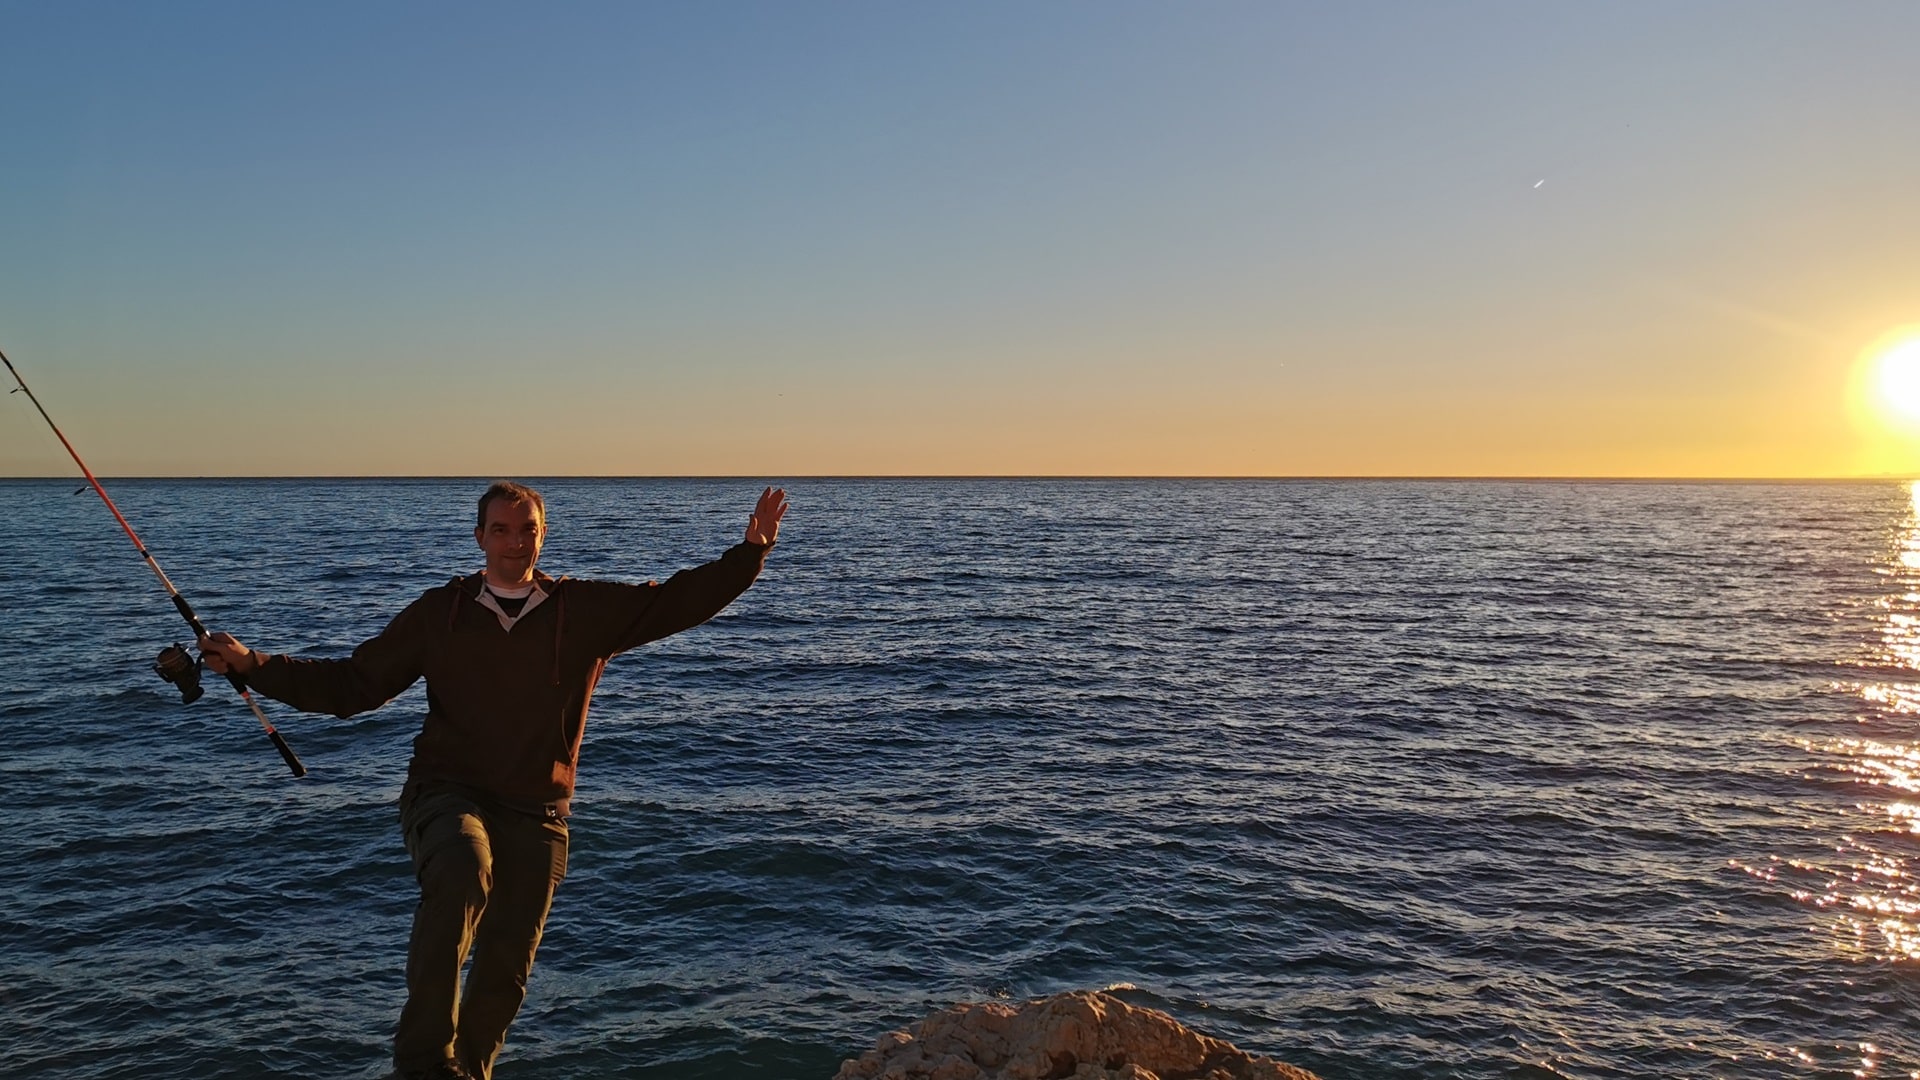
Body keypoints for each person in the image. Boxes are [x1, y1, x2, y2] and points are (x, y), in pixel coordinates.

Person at [199, 480, 787, 1080]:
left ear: (543, 534)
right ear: (480, 537)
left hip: (538, 809)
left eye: (527, 529)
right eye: (501, 530)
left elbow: (678, 601)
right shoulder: (441, 612)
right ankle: (422, 1065)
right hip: (446, 791)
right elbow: (354, 685)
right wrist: (254, 665)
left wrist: (751, 553)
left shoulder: (582, 610)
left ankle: (470, 1070)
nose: (515, 542)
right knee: (463, 866)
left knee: (507, 964)